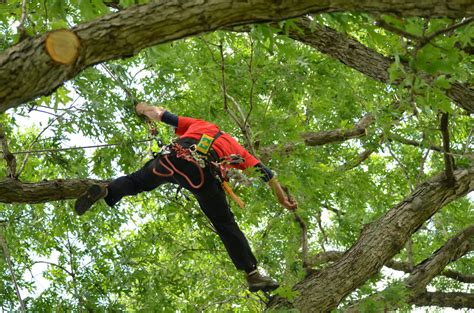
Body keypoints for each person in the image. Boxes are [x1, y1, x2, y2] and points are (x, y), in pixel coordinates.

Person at [75, 102, 297, 292]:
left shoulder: (201, 124)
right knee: (224, 223)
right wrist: (281, 198)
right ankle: (252, 273)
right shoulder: (236, 148)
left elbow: (161, 115)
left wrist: (141, 108)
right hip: (201, 172)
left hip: (169, 160)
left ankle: (108, 191)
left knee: (136, 182)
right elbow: (267, 174)